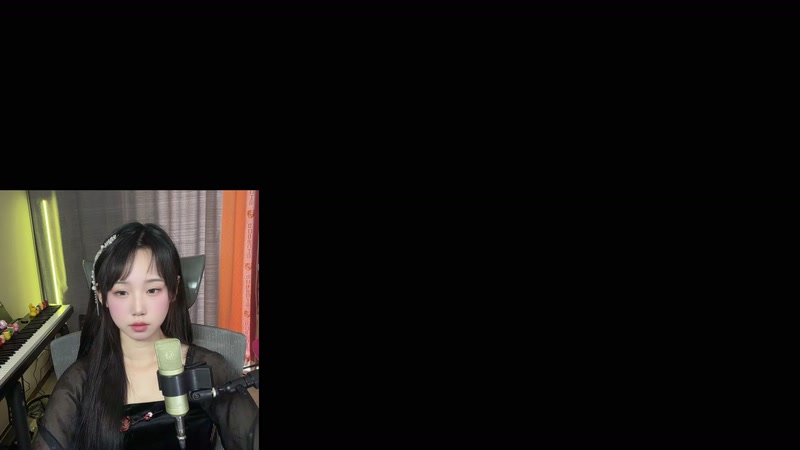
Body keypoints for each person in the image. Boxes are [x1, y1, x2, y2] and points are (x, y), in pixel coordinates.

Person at [34, 222, 258, 450]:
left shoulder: (208, 370)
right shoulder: (79, 383)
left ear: (174, 289)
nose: (138, 308)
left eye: (152, 290)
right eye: (122, 292)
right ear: (102, 296)